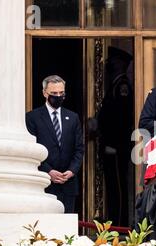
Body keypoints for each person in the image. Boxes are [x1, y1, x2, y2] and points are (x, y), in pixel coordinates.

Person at [26, 75, 85, 213]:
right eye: (54, 93)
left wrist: (71, 171)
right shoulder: (32, 117)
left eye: (61, 93)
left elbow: (79, 149)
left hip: (68, 183)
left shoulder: (73, 117)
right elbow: (31, 149)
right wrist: (49, 171)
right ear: (44, 93)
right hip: (44, 181)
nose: (58, 96)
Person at [98, 46, 134, 226]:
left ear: (120, 64)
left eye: (112, 61)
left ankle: (119, 224)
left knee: (118, 187)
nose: (108, 64)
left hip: (117, 148)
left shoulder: (122, 85)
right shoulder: (115, 84)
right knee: (113, 185)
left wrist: (114, 144)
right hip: (114, 146)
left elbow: (122, 117)